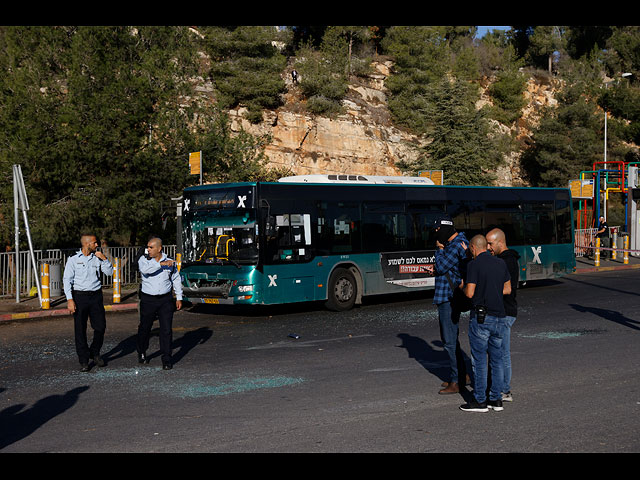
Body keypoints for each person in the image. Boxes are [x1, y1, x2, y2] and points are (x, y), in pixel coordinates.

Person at [459, 235, 511, 413]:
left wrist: (462, 286)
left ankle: (480, 400)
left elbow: (470, 293)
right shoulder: (500, 263)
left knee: (479, 360)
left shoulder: (474, 265)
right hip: (500, 317)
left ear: (473, 248)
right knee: (497, 360)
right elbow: (508, 289)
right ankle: (496, 399)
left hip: (481, 318)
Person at [63, 234, 114, 372]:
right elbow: (67, 280)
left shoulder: (97, 257)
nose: (97, 245)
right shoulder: (73, 260)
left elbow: (109, 273)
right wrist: (69, 299)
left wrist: (104, 260)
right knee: (80, 329)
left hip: (96, 296)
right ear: (87, 244)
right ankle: (84, 360)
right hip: (80, 296)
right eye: (94, 243)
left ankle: (94, 351)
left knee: (100, 327)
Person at [432, 215, 470, 395]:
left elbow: (441, 267)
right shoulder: (456, 244)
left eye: (438, 229)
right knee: (451, 339)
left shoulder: (454, 245)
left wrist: (438, 250)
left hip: (448, 297)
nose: (436, 233)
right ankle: (463, 375)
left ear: (446, 228)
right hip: (446, 296)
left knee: (449, 341)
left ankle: (457, 381)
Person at [137, 236, 183, 370]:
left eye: (151, 247)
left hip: (165, 299)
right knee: (145, 328)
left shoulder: (169, 261)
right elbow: (145, 271)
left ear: (159, 248)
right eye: (148, 247)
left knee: (166, 330)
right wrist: (160, 265)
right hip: (148, 299)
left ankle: (167, 358)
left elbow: (176, 278)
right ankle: (141, 351)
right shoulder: (143, 260)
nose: (148, 250)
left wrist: (179, 297)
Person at [486, 228, 520, 403]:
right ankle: (500, 387)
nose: (488, 247)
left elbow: (507, 289)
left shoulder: (507, 262)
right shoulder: (502, 260)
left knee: (501, 353)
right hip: (503, 311)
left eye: (490, 243)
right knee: (498, 353)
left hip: (505, 312)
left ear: (500, 242)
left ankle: (504, 390)